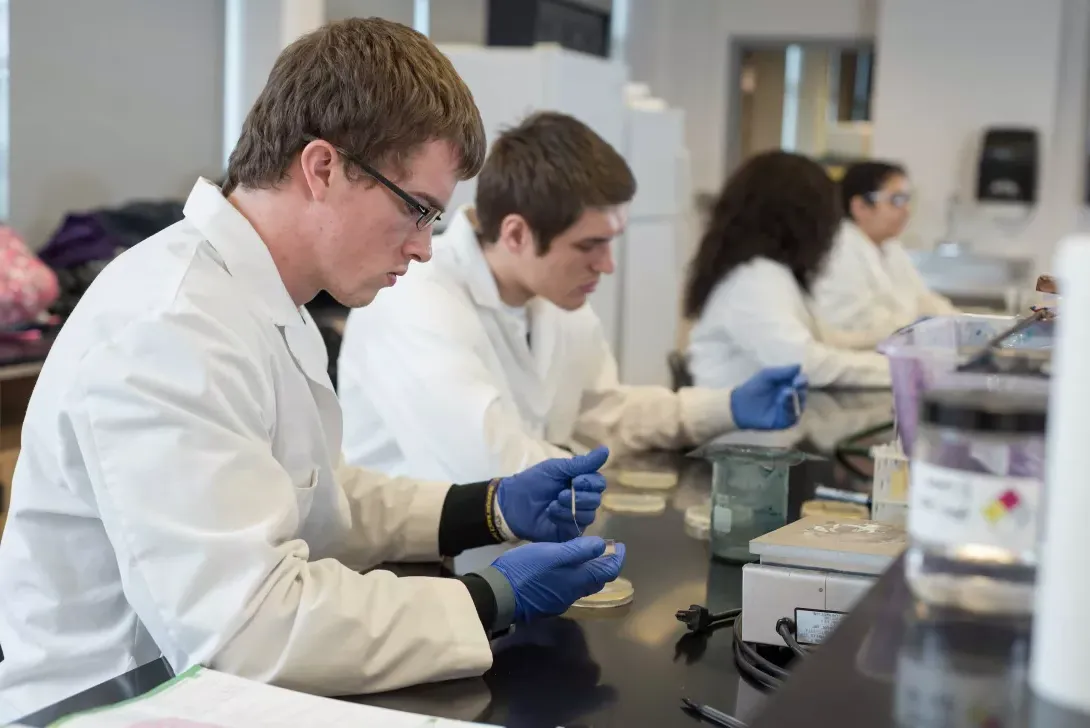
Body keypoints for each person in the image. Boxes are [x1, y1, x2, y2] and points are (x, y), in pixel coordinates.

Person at [0, 19, 626, 721]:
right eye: (417, 210)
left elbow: (308, 496)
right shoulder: (170, 326)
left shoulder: (268, 299)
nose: (423, 249)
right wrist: (490, 598)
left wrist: (484, 506)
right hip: (107, 704)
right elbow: (245, 629)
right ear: (324, 167)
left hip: (198, 683)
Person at [336, 112, 806, 485]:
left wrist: (726, 407)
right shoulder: (415, 299)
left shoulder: (556, 302)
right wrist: (590, 475)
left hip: (506, 548)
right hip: (410, 571)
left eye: (610, 242)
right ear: (517, 233)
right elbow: (490, 465)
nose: (607, 265)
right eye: (589, 245)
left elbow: (604, 416)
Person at [685, 151, 891, 391]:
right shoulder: (753, 279)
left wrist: (891, 350)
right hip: (736, 425)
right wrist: (899, 370)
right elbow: (802, 362)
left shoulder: (773, 272)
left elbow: (822, 340)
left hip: (762, 419)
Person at [811, 161, 958, 341]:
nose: (906, 210)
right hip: (859, 358)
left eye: (907, 199)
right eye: (896, 200)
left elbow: (923, 298)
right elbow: (860, 324)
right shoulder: (839, 250)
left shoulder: (890, 246)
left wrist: (958, 322)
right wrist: (919, 321)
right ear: (860, 206)